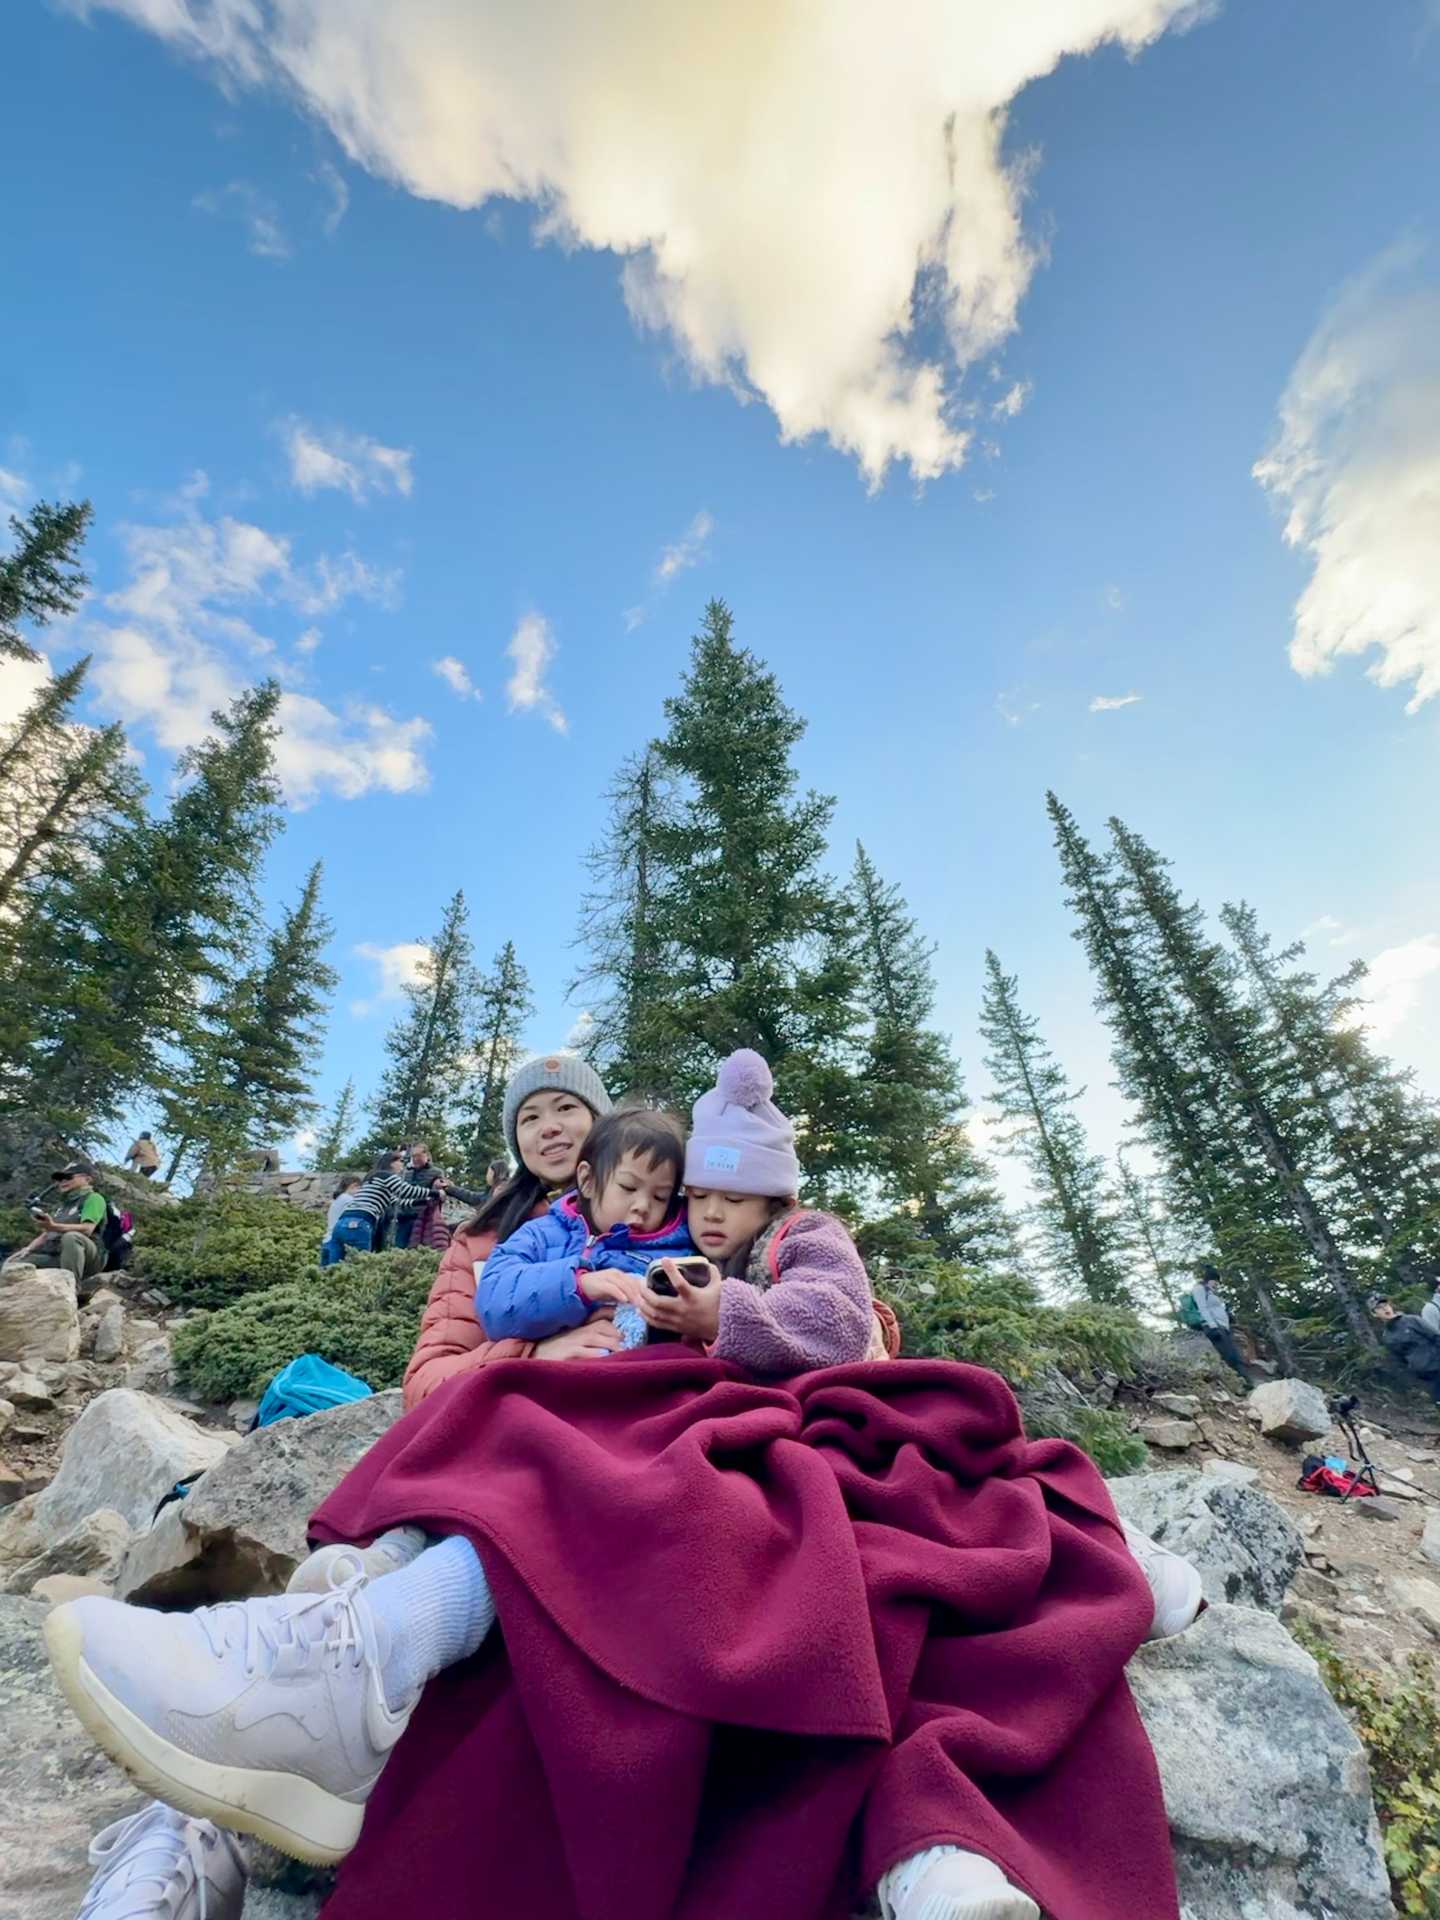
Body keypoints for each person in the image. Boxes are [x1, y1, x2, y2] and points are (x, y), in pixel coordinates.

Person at [41, 1047, 1187, 1920]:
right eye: (534, 1116)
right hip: (519, 1432)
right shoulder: (491, 1244)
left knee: (669, 1494)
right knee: (522, 1440)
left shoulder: (695, 1235)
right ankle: (244, 1770)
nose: (558, 1132)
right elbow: (436, 1378)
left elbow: (830, 1331)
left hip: (659, 1436)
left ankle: (345, 1675)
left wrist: (711, 1322)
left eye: (574, 1113)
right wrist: (544, 1355)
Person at [476, 1106, 695, 1349]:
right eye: (628, 1187)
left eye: (660, 1197)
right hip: (556, 1377)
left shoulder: (678, 1252)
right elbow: (493, 1302)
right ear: (587, 1181)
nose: (643, 1206)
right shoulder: (540, 1235)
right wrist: (577, 1285)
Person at [2, 1161, 107, 1288]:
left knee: (71, 1237)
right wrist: (28, 1249)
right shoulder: (63, 1206)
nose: (63, 1181)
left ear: (87, 1179)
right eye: (60, 1178)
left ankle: (71, 1287)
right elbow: (48, 1234)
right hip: (59, 1256)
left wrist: (53, 1226)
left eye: (68, 1177)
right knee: (17, 1262)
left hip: (88, 1258)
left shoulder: (94, 1198)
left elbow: (87, 1229)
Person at [329, 1152, 449, 1259]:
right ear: (391, 1163)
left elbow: (397, 1202)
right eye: (400, 1161)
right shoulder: (386, 1176)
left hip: (342, 1223)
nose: (403, 1165)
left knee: (334, 1267)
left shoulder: (374, 1179)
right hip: (360, 1222)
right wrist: (436, 1193)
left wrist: (425, 1201)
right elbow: (406, 1190)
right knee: (360, 1262)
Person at [1181, 1263, 1254, 1386]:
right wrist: (1212, 1326)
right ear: (1210, 1280)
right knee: (1230, 1355)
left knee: (1233, 1353)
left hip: (1222, 1327)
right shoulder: (1199, 1289)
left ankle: (1243, 1381)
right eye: (1216, 1281)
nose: (1217, 1284)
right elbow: (1202, 1308)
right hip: (1213, 1327)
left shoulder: (1210, 1292)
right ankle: (1242, 1383)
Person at [1371, 1294, 1440, 1404]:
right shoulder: (1388, 1337)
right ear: (1375, 1314)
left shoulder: (1412, 1320)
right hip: (1426, 1377)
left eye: (1385, 1305)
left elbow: (1436, 1337)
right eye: (1379, 1308)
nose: (1385, 1309)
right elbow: (1400, 1361)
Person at [320, 1176, 363, 1268]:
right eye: (359, 1188)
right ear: (353, 1186)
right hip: (335, 1241)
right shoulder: (348, 1199)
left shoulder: (337, 1200)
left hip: (327, 1240)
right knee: (336, 1272)